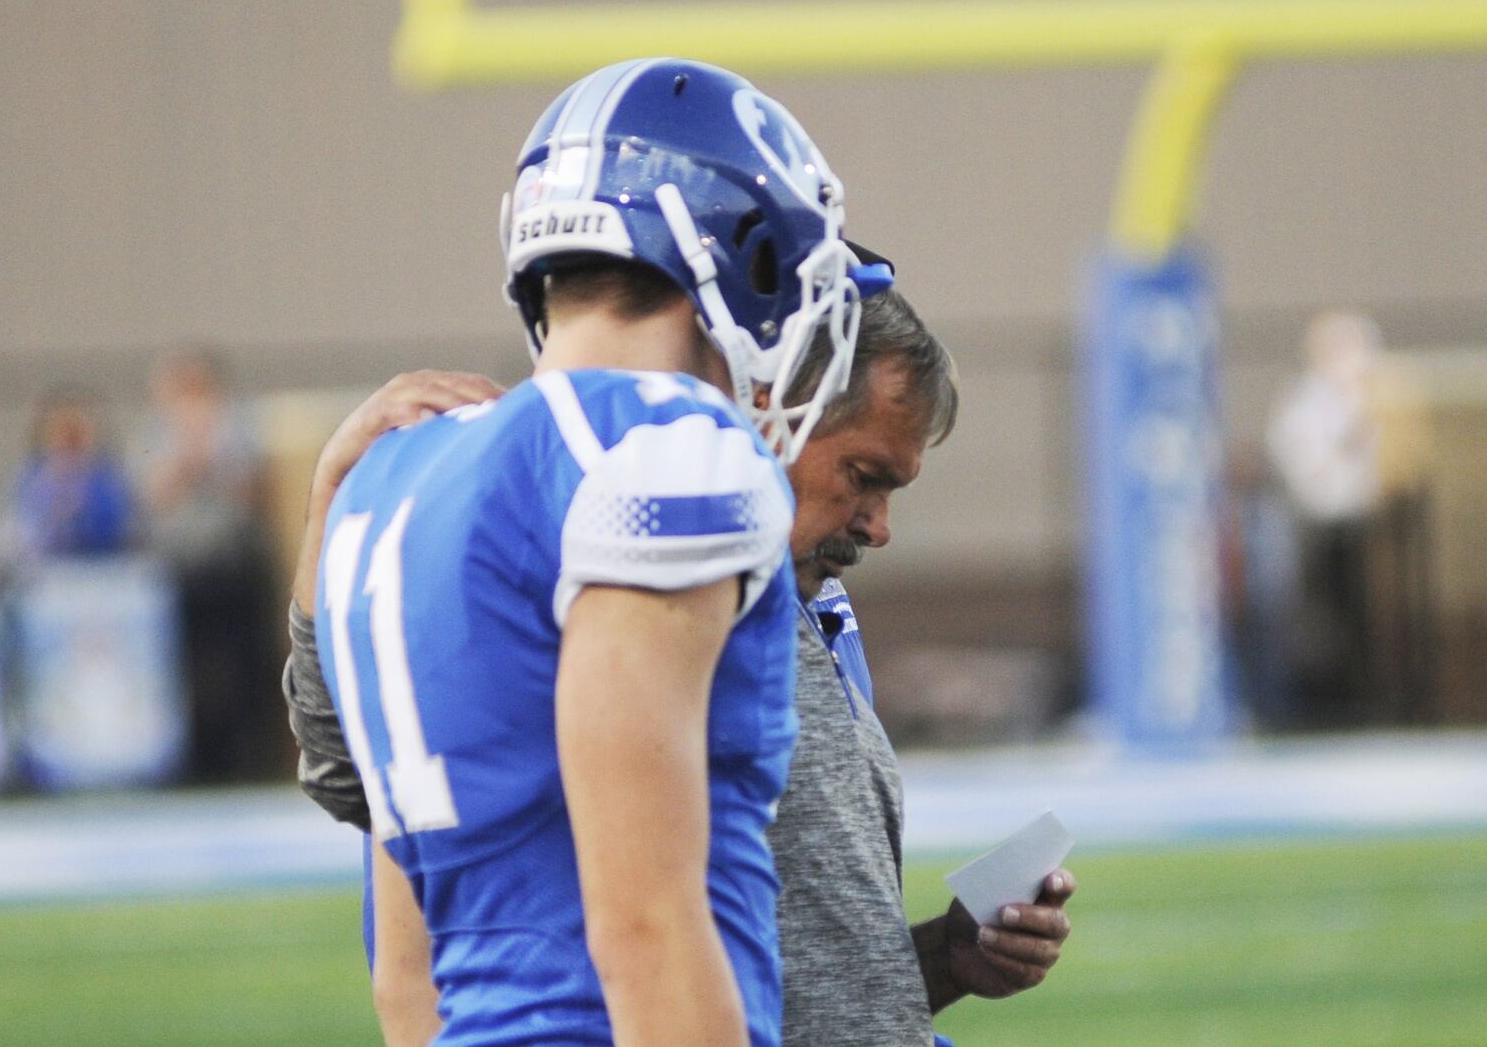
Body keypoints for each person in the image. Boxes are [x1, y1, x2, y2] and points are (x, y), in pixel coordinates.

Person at [285, 292, 1076, 1046]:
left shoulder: (803, 604)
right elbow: (353, 784)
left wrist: (943, 958)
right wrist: (333, 505)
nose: (879, 527)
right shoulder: (619, 572)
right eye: (863, 477)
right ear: (774, 410)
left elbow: (780, 969)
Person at [302, 59, 866, 1046]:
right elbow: (644, 926)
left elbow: (405, 973)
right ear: (740, 255)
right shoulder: (664, 447)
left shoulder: (390, 476)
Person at [137, 347, 278, 782]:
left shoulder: (240, 431)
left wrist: (214, 454)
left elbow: (256, 497)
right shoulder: (155, 436)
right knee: (186, 672)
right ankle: (196, 764)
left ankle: (251, 762)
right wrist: (186, 453)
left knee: (243, 672)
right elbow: (152, 497)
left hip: (233, 569)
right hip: (180, 573)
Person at [0, 385, 136, 565]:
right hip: (43, 573)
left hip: (101, 571)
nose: (68, 444)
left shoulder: (111, 482)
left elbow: (122, 532)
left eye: (76, 436)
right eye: (62, 435)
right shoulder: (29, 480)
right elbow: (7, 539)